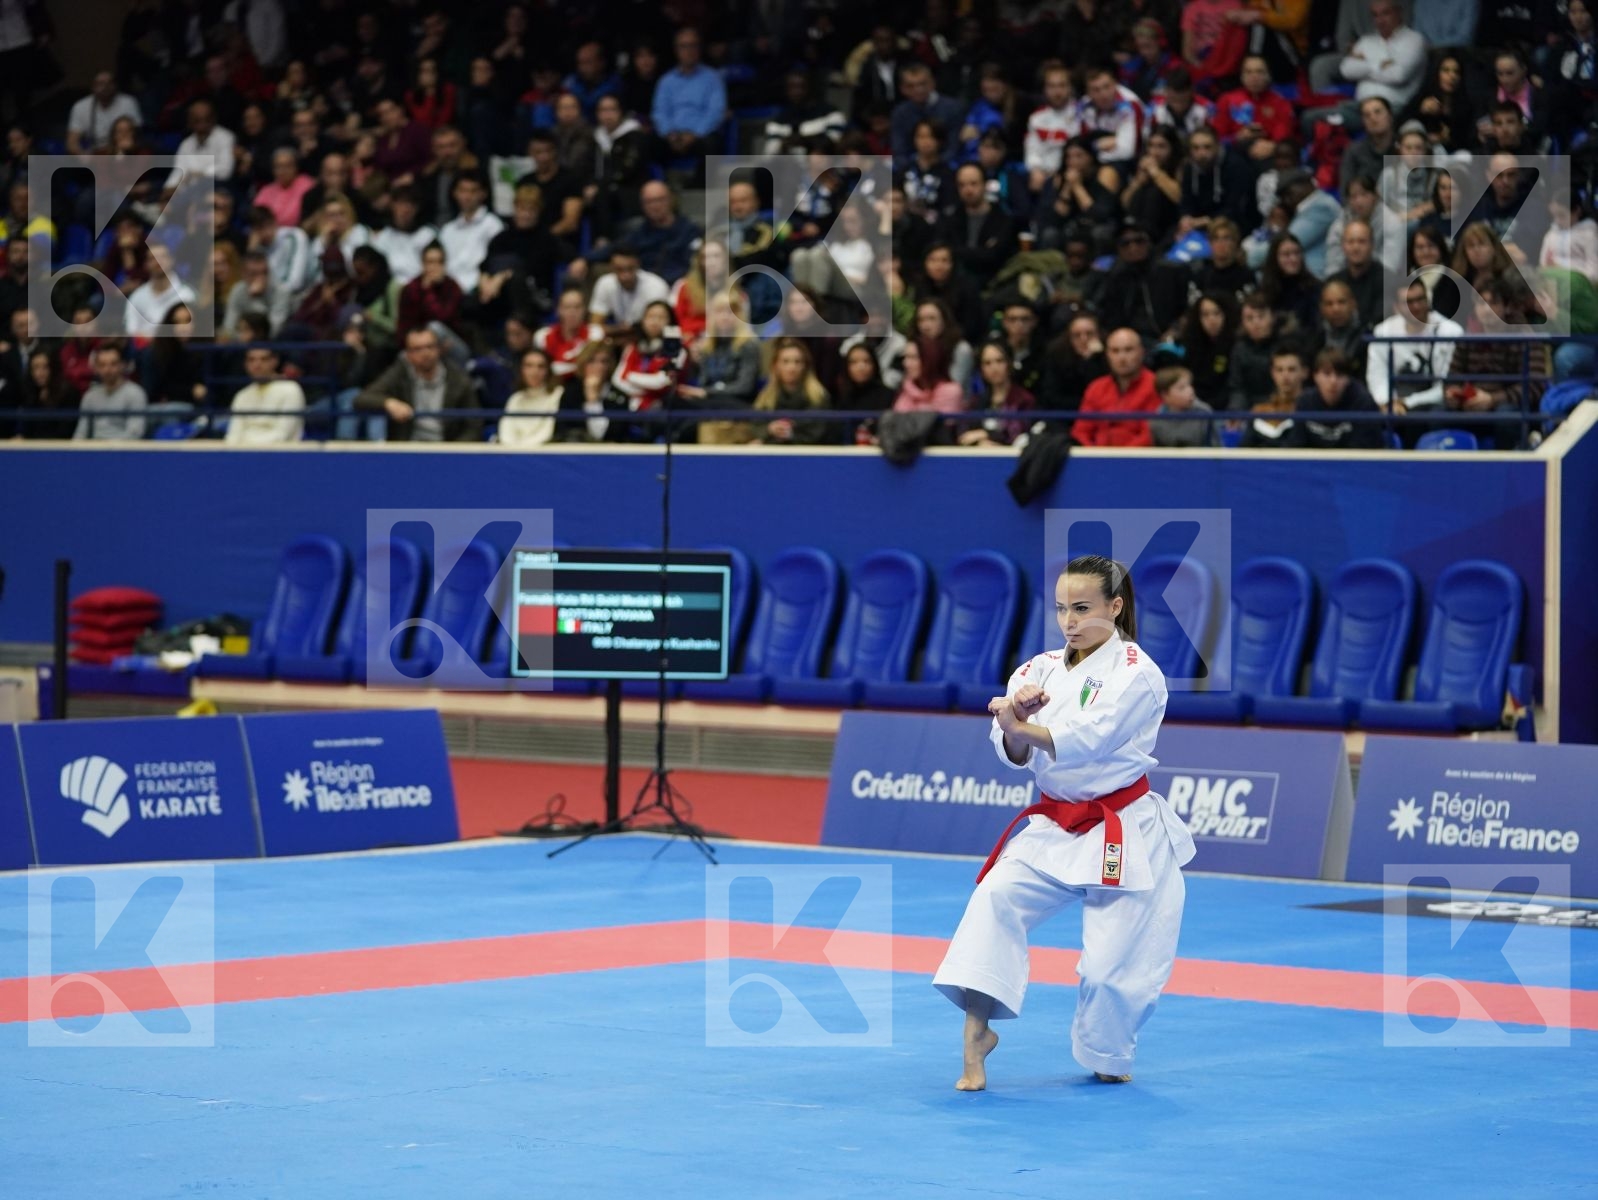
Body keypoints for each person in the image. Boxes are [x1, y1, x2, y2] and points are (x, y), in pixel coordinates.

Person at [932, 554, 1196, 1091]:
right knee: (993, 900)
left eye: (1081, 608)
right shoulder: (1038, 668)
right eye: (1060, 608)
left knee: (1110, 973)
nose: (1069, 620)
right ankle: (976, 1036)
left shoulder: (1138, 674)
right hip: (1054, 825)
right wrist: (1013, 725)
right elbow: (1012, 752)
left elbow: (1091, 739)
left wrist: (1021, 724)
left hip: (1121, 827)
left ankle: (1108, 1051)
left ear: (1115, 607)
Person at [354, 326, 481, 442]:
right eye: (418, 349)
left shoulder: (459, 379)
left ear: (439, 349)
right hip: (408, 449)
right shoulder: (400, 374)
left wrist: (456, 449)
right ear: (408, 354)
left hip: (446, 449)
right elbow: (361, 399)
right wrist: (388, 403)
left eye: (430, 347)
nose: (425, 353)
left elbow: (474, 425)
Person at [1073, 328, 1159, 446]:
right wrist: (1093, 454)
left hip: (1138, 459)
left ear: (1141, 352)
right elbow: (1081, 431)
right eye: (1115, 351)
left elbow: (1150, 434)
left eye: (1128, 350)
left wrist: (1118, 458)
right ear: (1107, 355)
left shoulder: (1155, 385)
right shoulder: (1096, 388)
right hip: (1096, 458)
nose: (1122, 358)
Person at [1295, 347, 1383, 449]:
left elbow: (1364, 451)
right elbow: (1297, 445)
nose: (1333, 381)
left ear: (1348, 378)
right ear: (1315, 376)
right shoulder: (1305, 402)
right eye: (1327, 374)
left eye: (1340, 375)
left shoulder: (1364, 403)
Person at [225, 345, 305, 445]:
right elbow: (233, 435)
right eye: (251, 360)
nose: (257, 365)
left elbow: (283, 435)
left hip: (281, 456)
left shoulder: (291, 390)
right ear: (245, 364)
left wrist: (246, 442)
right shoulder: (242, 395)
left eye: (264, 359)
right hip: (243, 455)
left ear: (275, 361)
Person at [73, 343, 147, 441]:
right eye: (102, 365)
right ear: (96, 368)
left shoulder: (135, 393)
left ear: (122, 365)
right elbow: (81, 432)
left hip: (123, 452)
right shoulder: (90, 396)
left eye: (113, 364)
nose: (107, 370)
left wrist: (108, 448)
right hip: (94, 451)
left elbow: (135, 433)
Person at [498, 346, 565, 447]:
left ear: (548, 370)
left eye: (541, 366)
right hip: (513, 454)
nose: (534, 371)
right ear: (521, 369)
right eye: (529, 366)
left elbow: (546, 432)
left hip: (543, 454)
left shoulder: (558, 394)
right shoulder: (515, 398)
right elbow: (506, 432)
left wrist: (524, 449)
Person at [1151, 364, 1219, 447]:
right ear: (1165, 395)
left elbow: (1215, 447)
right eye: (1181, 388)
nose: (1190, 391)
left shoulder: (1204, 412)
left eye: (1190, 385)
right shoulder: (1157, 418)